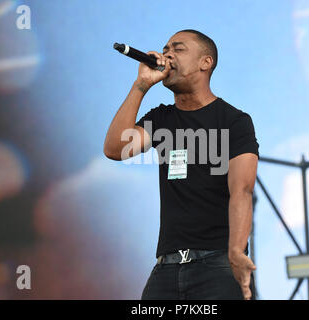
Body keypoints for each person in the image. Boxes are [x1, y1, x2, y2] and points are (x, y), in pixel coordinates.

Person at [104, 29, 259, 300]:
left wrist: (236, 251)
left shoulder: (233, 121)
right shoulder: (162, 119)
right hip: (167, 267)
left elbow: (242, 190)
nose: (167, 55)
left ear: (205, 62)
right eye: (165, 49)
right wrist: (141, 84)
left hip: (217, 264)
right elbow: (115, 148)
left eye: (178, 49)